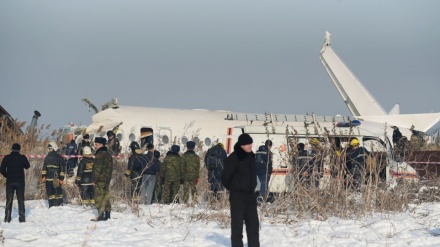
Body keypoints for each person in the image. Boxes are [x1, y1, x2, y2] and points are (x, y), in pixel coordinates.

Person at [221, 133, 259, 247]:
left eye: (251, 143)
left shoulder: (251, 156)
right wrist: (235, 188)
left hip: (251, 196)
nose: (250, 146)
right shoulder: (234, 158)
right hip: (238, 197)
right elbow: (225, 177)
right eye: (248, 144)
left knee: (253, 226)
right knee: (237, 227)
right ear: (242, 145)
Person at [1, 143, 30, 223]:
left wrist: (7, 175)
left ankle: (7, 219)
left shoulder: (7, 157)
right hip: (20, 182)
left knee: (9, 200)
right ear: (19, 149)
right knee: (20, 200)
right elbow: (27, 166)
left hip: (10, 181)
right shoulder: (22, 157)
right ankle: (22, 218)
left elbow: (2, 169)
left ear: (12, 149)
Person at [91, 137, 113, 221]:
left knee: (99, 197)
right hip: (106, 179)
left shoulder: (99, 154)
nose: (95, 146)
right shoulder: (108, 154)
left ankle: (100, 215)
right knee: (106, 196)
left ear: (101, 145)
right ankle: (107, 215)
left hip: (100, 180)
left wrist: (94, 180)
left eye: (96, 144)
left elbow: (97, 168)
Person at [42, 142, 65, 208]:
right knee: (53, 193)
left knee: (54, 193)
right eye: (49, 149)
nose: (50, 150)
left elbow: (62, 170)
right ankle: (55, 206)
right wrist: (61, 179)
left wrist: (61, 179)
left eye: (51, 149)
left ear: (54, 148)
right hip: (53, 179)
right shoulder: (50, 157)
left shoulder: (56, 158)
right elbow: (44, 168)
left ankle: (55, 206)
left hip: (53, 179)